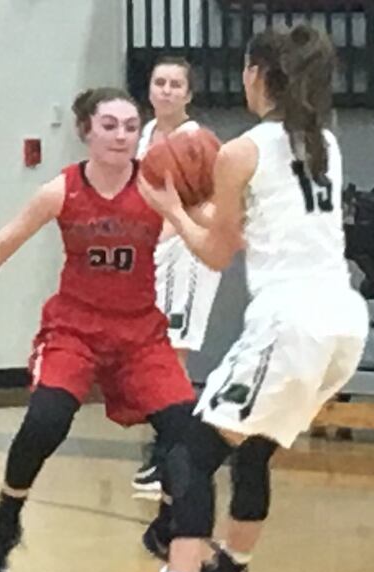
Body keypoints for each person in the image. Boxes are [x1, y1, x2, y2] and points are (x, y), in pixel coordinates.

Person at [104, 24, 367, 572]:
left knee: (190, 454)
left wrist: (168, 205)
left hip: (290, 323)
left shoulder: (241, 151)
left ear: (257, 74)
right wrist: (206, 211)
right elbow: (263, 228)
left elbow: (217, 254)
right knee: (253, 452)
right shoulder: (324, 142)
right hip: (342, 323)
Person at [0, 88, 195, 572]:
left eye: (131, 126)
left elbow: (204, 231)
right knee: (46, 420)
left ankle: (166, 524)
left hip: (139, 334)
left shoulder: (156, 188)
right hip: (75, 330)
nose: (122, 135)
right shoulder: (61, 191)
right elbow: (2, 244)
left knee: (184, 432)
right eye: (110, 125)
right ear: (86, 130)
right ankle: (5, 518)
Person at [133, 55, 225, 496]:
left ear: (189, 95)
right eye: (160, 82)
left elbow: (212, 206)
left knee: (174, 355)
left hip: (187, 254)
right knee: (149, 355)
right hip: (151, 252)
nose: (167, 90)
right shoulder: (144, 135)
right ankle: (169, 443)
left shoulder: (200, 144)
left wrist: (165, 232)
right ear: (149, 90)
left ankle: (174, 453)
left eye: (175, 84)